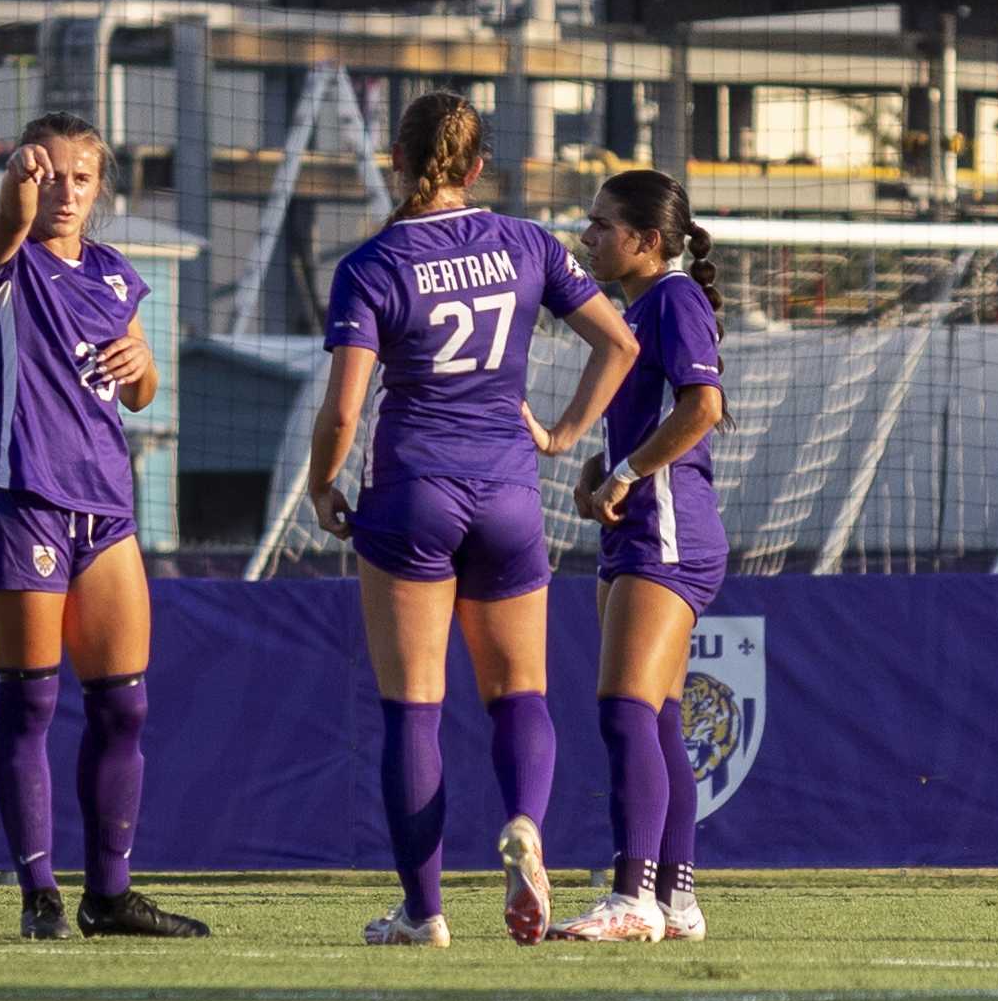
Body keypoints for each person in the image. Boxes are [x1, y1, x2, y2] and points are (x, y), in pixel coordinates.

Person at [308, 90, 640, 947]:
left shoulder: (373, 264)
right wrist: (564, 432)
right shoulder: (528, 243)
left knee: (413, 708)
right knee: (519, 692)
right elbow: (621, 343)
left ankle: (423, 913)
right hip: (507, 489)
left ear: (397, 160)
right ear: (478, 166)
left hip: (413, 487)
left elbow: (346, 409)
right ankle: (526, 822)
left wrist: (320, 483)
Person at [0, 111, 209, 942]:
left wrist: (144, 370)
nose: (65, 190)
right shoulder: (3, 257)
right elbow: (5, 224)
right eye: (49, 173)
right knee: (30, 703)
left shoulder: (112, 273)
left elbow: (140, 389)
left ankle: (110, 893)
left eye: (80, 176)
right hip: (20, 494)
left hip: (104, 506)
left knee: (123, 707)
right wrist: (14, 192)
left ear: (100, 186)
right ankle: (39, 896)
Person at [550, 169, 729, 944]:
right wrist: (603, 465)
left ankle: (632, 895)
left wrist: (628, 471)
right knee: (652, 716)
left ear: (646, 241)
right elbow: (652, 419)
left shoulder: (674, 298)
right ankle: (677, 897)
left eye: (600, 225)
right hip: (639, 529)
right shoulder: (637, 311)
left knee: (626, 709)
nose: (587, 237)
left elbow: (704, 406)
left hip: (667, 533)